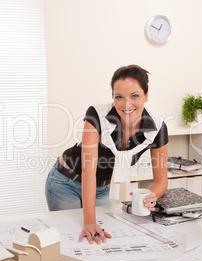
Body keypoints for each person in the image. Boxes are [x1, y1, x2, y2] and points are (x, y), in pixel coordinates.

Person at [45, 64, 168, 245]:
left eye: (135, 96)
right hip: (66, 182)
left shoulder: (157, 128)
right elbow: (89, 170)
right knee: (72, 239)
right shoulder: (96, 114)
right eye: (119, 97)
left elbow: (161, 180)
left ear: (146, 95)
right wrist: (88, 222)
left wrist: (152, 196)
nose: (127, 104)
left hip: (103, 188)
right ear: (113, 97)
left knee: (104, 240)